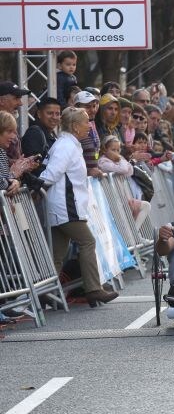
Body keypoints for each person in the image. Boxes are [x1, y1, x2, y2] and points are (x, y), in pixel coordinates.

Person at [40, 107, 118, 307]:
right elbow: (51, 174)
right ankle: (93, 289)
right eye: (85, 122)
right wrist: (35, 187)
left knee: (57, 254)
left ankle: (45, 292)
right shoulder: (66, 146)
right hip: (66, 206)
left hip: (64, 205)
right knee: (88, 242)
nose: (90, 126)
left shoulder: (68, 144)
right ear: (75, 126)